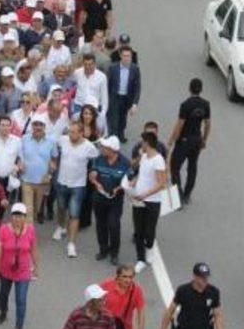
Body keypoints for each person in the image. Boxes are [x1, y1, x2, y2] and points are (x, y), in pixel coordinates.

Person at [0, 202, 38, 329]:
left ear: (25, 217)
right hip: (5, 269)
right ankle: (3, 311)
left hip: (23, 271)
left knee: (21, 299)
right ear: (11, 216)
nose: (18, 219)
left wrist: (36, 266)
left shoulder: (30, 230)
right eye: (15, 215)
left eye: (21, 216)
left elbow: (33, 249)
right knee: (3, 294)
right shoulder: (4, 229)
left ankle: (19, 328)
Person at [53, 120, 98, 259]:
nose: (70, 134)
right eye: (69, 131)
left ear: (81, 133)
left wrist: (94, 171)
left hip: (78, 186)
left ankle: (71, 244)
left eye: (73, 132)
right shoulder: (62, 141)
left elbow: (96, 160)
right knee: (61, 207)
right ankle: (61, 226)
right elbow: (54, 150)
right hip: (61, 182)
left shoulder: (89, 147)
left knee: (74, 213)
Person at [127, 131, 167, 273]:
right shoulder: (143, 157)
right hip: (138, 199)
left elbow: (161, 183)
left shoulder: (158, 160)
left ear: (148, 143)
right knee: (138, 230)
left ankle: (149, 248)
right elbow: (141, 174)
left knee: (149, 231)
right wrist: (134, 181)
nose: (141, 144)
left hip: (152, 201)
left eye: (142, 142)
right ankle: (140, 259)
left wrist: (145, 194)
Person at [167, 77, 211, 206]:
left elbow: (180, 124)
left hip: (184, 141)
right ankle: (187, 195)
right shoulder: (206, 104)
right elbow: (208, 124)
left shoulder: (186, 105)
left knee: (174, 167)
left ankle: (178, 197)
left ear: (189, 88)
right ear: (201, 89)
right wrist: (204, 140)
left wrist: (171, 140)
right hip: (197, 139)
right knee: (192, 167)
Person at [89, 136, 131, 265]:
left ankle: (114, 253)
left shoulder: (124, 162)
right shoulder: (99, 159)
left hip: (115, 199)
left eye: (105, 147)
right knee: (100, 224)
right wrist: (95, 181)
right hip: (99, 197)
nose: (102, 149)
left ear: (113, 150)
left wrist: (119, 188)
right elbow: (92, 174)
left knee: (113, 225)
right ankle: (103, 249)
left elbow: (130, 179)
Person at [100, 264, 146, 329]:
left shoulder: (136, 291)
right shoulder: (106, 285)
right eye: (124, 276)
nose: (128, 280)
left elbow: (141, 312)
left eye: (130, 277)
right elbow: (95, 303)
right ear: (117, 276)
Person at [19, 115, 54, 222]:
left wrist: (51, 169)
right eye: (35, 124)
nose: (38, 127)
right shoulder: (24, 139)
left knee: (35, 211)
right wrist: (20, 163)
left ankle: (29, 232)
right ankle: (28, 238)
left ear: (44, 127)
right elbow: (19, 157)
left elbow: (55, 158)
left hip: (42, 182)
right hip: (26, 181)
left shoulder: (51, 141)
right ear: (32, 126)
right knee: (28, 211)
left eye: (41, 125)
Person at [107, 46, 141, 143]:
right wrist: (107, 99)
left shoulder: (135, 69)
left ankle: (121, 134)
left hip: (126, 98)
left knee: (123, 118)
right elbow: (108, 85)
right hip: (114, 97)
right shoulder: (113, 68)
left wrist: (135, 103)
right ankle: (113, 138)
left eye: (128, 56)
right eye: (124, 56)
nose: (126, 58)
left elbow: (137, 87)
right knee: (114, 119)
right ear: (120, 56)